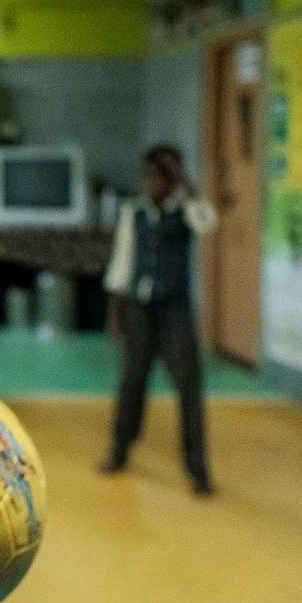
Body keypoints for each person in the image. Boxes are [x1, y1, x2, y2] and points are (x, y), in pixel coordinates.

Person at [100, 144, 217, 495]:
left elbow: (208, 223)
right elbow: (122, 261)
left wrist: (186, 183)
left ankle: (197, 465)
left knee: (188, 386)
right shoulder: (133, 212)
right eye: (149, 175)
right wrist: (116, 310)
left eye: (163, 177)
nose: (154, 183)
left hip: (174, 312)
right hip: (140, 309)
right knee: (131, 381)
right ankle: (120, 448)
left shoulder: (186, 211)